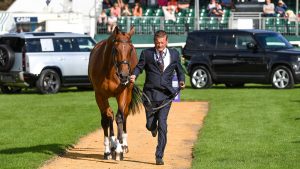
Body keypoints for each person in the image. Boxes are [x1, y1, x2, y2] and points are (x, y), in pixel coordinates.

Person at [130, 30, 185, 165]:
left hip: (166, 95)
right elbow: (139, 67)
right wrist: (134, 75)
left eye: (162, 42)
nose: (159, 45)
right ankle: (152, 127)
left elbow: (180, 70)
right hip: (149, 95)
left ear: (166, 41)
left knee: (163, 124)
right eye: (157, 43)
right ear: (154, 42)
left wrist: (181, 81)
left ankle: (159, 155)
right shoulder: (146, 54)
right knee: (150, 125)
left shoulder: (174, 54)